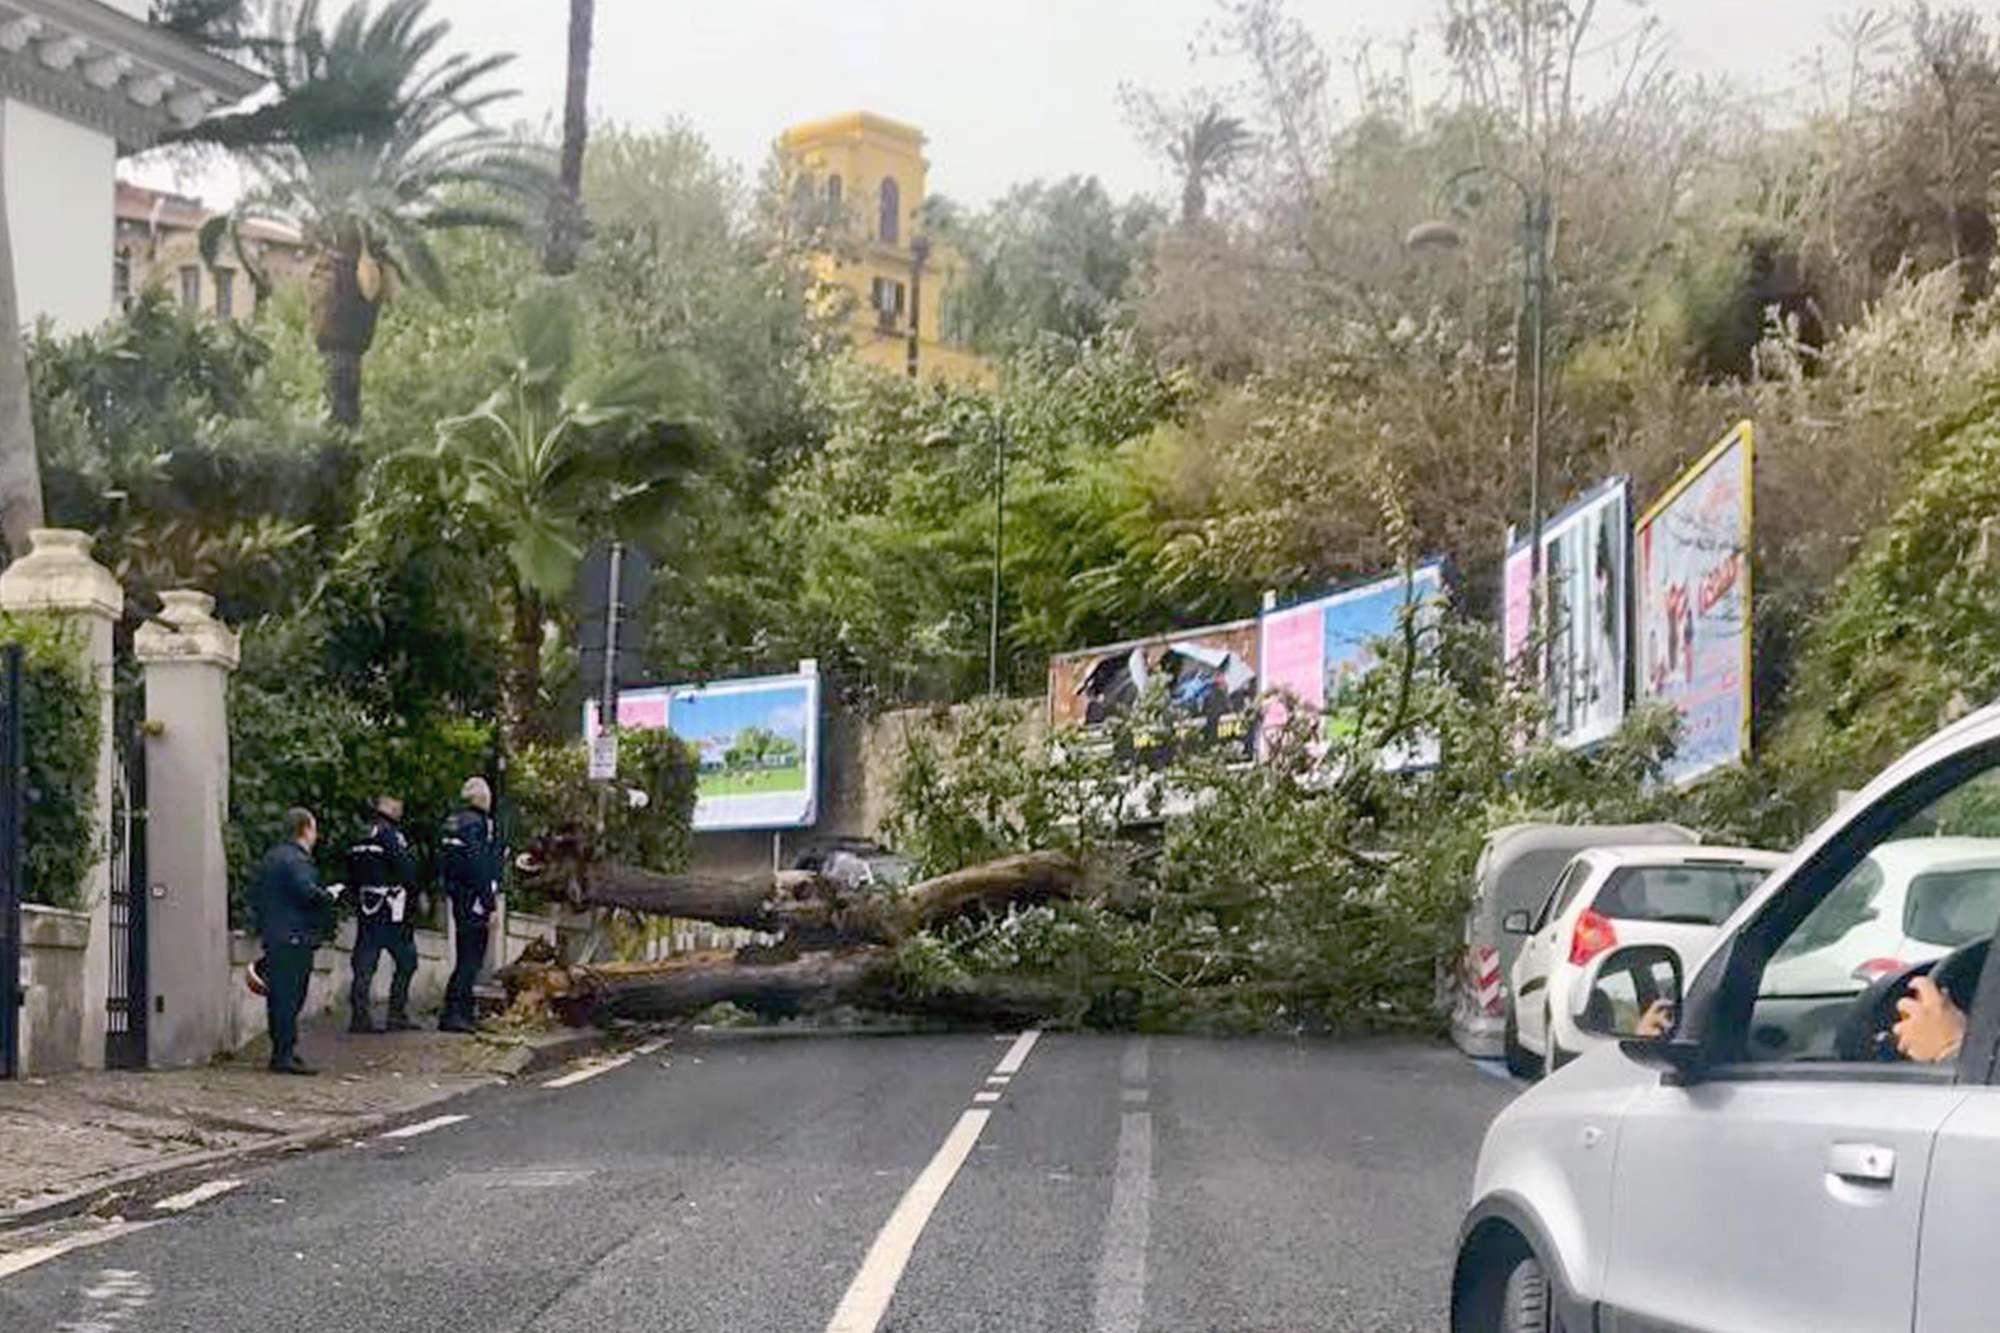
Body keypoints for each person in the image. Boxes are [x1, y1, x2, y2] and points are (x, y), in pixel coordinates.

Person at [253, 808, 339, 1075]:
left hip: (275, 934)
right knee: (290, 997)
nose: (316, 835)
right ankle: (284, 1054)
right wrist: (329, 895)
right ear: (305, 829)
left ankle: (282, 1051)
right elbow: (306, 893)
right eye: (314, 829)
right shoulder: (297, 861)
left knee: (279, 997)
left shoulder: (272, 857)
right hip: (295, 936)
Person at [346, 795, 419, 1034]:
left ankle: (359, 1016)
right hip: (390, 909)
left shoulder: (361, 832)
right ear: (388, 807)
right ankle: (396, 1014)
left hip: (367, 905)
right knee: (407, 960)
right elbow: (405, 868)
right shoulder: (391, 835)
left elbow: (351, 870)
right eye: (398, 806)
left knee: (364, 962)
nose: (401, 810)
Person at [438, 776, 501, 1033]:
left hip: (457, 895)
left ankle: (460, 1012)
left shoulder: (452, 822)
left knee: (466, 955)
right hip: (474, 899)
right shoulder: (478, 824)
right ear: (481, 798)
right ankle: (456, 1014)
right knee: (471, 959)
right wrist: (490, 904)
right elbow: (480, 865)